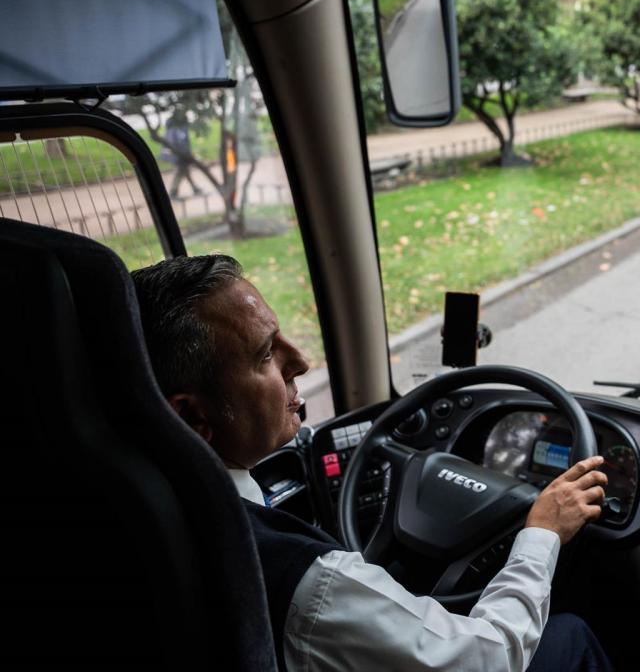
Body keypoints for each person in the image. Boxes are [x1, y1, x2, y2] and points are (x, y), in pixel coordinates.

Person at [132, 254, 613, 672]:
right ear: (193, 415)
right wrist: (542, 531)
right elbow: (488, 658)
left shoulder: (138, 496)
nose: (300, 361)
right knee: (569, 635)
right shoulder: (308, 581)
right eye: (265, 355)